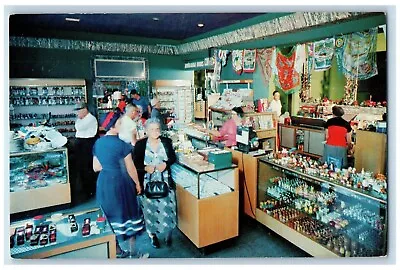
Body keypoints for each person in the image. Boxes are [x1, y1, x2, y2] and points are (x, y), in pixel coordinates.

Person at [92, 117, 148, 259]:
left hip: (105, 183)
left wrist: (109, 165)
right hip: (122, 182)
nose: (122, 126)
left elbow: (96, 167)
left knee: (110, 216)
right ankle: (134, 253)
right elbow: (130, 168)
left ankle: (117, 250)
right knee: (129, 213)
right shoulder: (122, 145)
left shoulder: (98, 143)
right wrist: (137, 183)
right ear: (113, 126)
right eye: (120, 124)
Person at [133, 118, 177, 249]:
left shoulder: (166, 142)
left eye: (157, 128)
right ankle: (153, 236)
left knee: (168, 209)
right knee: (150, 211)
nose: (155, 131)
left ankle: (168, 234)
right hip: (148, 183)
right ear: (146, 131)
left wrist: (166, 164)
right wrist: (145, 168)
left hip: (165, 182)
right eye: (151, 129)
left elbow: (173, 157)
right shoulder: (140, 145)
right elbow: (136, 163)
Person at [73, 101, 98, 200]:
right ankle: (85, 188)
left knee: (87, 167)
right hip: (81, 142)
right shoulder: (81, 118)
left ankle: (89, 190)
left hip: (87, 143)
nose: (77, 114)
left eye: (78, 111)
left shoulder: (91, 119)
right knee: (81, 167)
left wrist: (79, 120)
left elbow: (79, 127)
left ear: (84, 109)